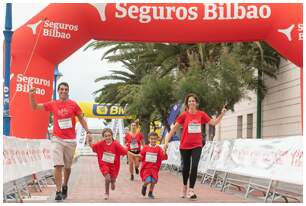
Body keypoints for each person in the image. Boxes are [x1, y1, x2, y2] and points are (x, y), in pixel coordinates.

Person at [29, 82, 90, 201]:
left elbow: (81, 119)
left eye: (66, 89)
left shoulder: (73, 105)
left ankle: (65, 185)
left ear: (68, 91)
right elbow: (35, 107)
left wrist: (88, 131)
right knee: (58, 165)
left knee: (67, 167)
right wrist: (31, 96)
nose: (63, 91)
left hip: (70, 140)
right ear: (58, 91)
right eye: (61, 89)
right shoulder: (53, 104)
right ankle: (58, 191)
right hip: (57, 139)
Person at [164, 93, 227, 200]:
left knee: (194, 167)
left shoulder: (201, 114)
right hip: (184, 146)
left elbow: (214, 122)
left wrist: (222, 114)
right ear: (187, 104)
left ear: (196, 103)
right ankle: (184, 187)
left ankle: (191, 190)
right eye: (189, 101)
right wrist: (166, 142)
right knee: (185, 168)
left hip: (197, 145)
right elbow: (173, 130)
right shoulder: (184, 115)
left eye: (193, 101)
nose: (191, 103)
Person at [87, 128, 137, 200]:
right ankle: (106, 193)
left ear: (112, 136)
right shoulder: (101, 143)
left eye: (109, 135)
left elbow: (125, 151)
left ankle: (113, 182)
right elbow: (93, 146)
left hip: (114, 166)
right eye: (105, 136)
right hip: (104, 165)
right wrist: (89, 140)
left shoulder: (116, 144)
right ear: (103, 136)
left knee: (112, 179)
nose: (107, 137)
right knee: (107, 178)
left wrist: (135, 154)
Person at [138, 132, 168, 199]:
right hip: (146, 168)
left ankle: (150, 193)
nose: (153, 140)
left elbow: (162, 156)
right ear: (149, 139)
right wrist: (139, 156)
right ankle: (144, 186)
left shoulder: (159, 149)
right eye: (151, 139)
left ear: (157, 139)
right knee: (148, 180)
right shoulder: (145, 148)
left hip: (155, 168)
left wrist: (165, 151)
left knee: (153, 181)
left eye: (155, 139)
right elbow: (141, 155)